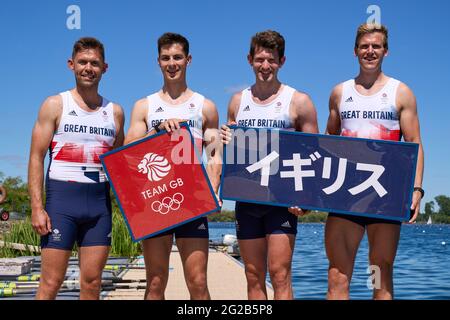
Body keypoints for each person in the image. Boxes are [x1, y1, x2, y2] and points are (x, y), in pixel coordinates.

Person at [324, 23, 424, 300]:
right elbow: (328, 141)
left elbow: (414, 143)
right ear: (355, 51)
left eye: (376, 46)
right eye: (364, 46)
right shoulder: (339, 92)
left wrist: (416, 190)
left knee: (379, 273)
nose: (370, 51)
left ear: (386, 51)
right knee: (337, 275)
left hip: (385, 194)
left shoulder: (400, 92)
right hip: (344, 194)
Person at [221, 30, 319, 300]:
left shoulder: (299, 101)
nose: (265, 66)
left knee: (279, 275)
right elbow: (233, 151)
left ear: (282, 61)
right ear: (250, 59)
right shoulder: (238, 102)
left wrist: (306, 198)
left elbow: (314, 155)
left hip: (282, 202)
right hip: (247, 199)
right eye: (260, 59)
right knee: (253, 275)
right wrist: (225, 139)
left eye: (272, 60)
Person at [124, 33, 221, 300]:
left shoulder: (205, 107)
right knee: (155, 281)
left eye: (177, 57)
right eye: (166, 58)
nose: (172, 63)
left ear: (188, 60)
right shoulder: (144, 106)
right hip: (156, 201)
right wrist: (156, 130)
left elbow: (214, 155)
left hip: (192, 201)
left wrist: (213, 190)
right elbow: (127, 152)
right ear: (158, 62)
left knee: (198, 282)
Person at [28, 37, 125, 299]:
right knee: (51, 282)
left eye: (94, 63)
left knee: (92, 283)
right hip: (61, 206)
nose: (88, 68)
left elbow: (122, 162)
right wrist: (37, 207)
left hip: (98, 208)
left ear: (105, 67)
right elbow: (36, 157)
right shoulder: (55, 104)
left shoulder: (115, 112)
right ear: (71, 65)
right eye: (82, 62)